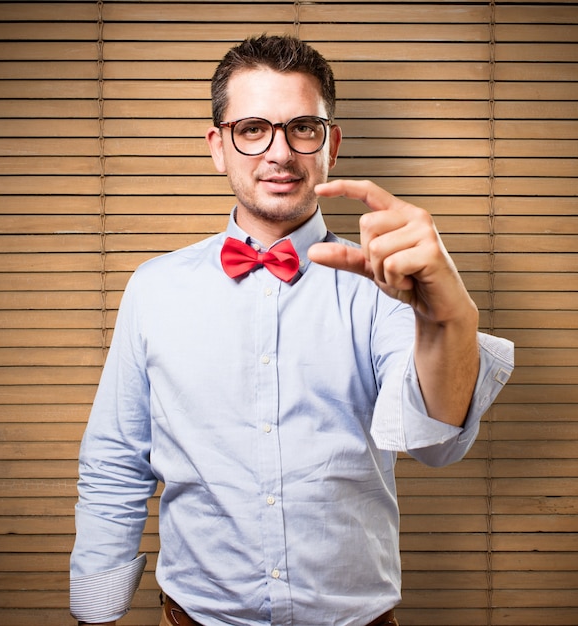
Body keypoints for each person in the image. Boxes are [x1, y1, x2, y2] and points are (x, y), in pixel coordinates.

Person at [70, 34, 513, 626]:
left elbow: (435, 444)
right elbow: (117, 459)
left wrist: (451, 317)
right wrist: (95, 611)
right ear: (217, 147)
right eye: (253, 129)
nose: (279, 152)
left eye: (302, 127)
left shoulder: (385, 288)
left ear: (330, 143)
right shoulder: (153, 289)